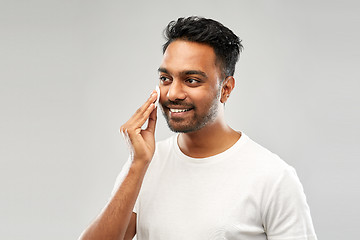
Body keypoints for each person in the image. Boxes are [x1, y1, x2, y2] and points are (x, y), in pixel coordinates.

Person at [79, 16, 317, 240]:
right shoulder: (145, 164)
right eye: (165, 79)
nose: (173, 93)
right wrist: (137, 165)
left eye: (191, 80)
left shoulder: (273, 177)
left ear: (226, 89)